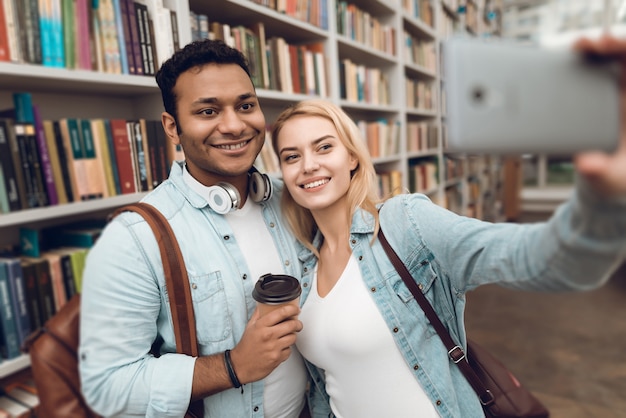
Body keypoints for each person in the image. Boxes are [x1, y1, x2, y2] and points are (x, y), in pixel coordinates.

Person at [270, 36, 626, 418]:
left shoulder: (405, 223)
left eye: (324, 148)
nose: (308, 165)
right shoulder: (302, 266)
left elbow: (543, 261)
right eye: (292, 156)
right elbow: (327, 385)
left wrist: (601, 197)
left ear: (353, 159)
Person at [79, 39, 309, 417]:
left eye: (246, 105)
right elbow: (109, 386)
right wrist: (234, 366)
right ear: (173, 127)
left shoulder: (292, 199)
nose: (234, 125)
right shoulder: (135, 236)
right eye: (208, 111)